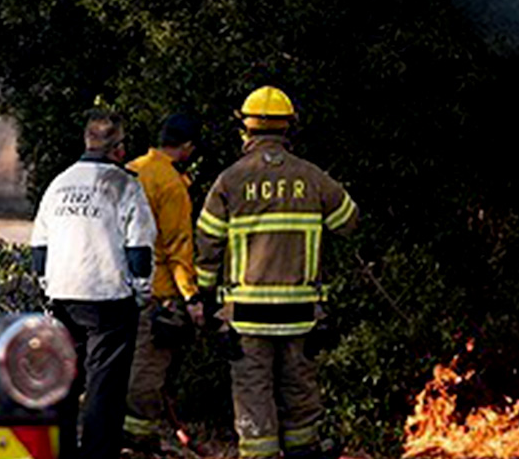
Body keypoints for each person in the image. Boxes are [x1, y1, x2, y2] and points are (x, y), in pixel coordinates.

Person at [194, 86, 358, 459]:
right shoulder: (312, 177)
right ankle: (303, 452)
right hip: (301, 314)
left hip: (247, 316)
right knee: (299, 393)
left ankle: (261, 454)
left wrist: (204, 299)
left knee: (253, 394)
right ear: (289, 129)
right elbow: (349, 222)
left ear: (246, 130)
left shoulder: (230, 181)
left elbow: (207, 246)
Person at [29, 109, 157, 459]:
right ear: (119, 148)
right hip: (109, 299)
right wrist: (142, 293)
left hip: (62, 297)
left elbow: (39, 246)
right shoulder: (125, 185)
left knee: (64, 382)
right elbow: (139, 248)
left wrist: (47, 286)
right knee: (105, 386)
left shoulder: (59, 183)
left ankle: (60, 451)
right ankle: (98, 454)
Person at [123, 113, 206, 444]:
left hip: (115, 289)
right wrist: (192, 298)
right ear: (186, 148)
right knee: (147, 370)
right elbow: (178, 248)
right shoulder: (170, 184)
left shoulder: (130, 170)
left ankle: (119, 432)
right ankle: (136, 437)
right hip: (155, 294)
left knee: (120, 364)